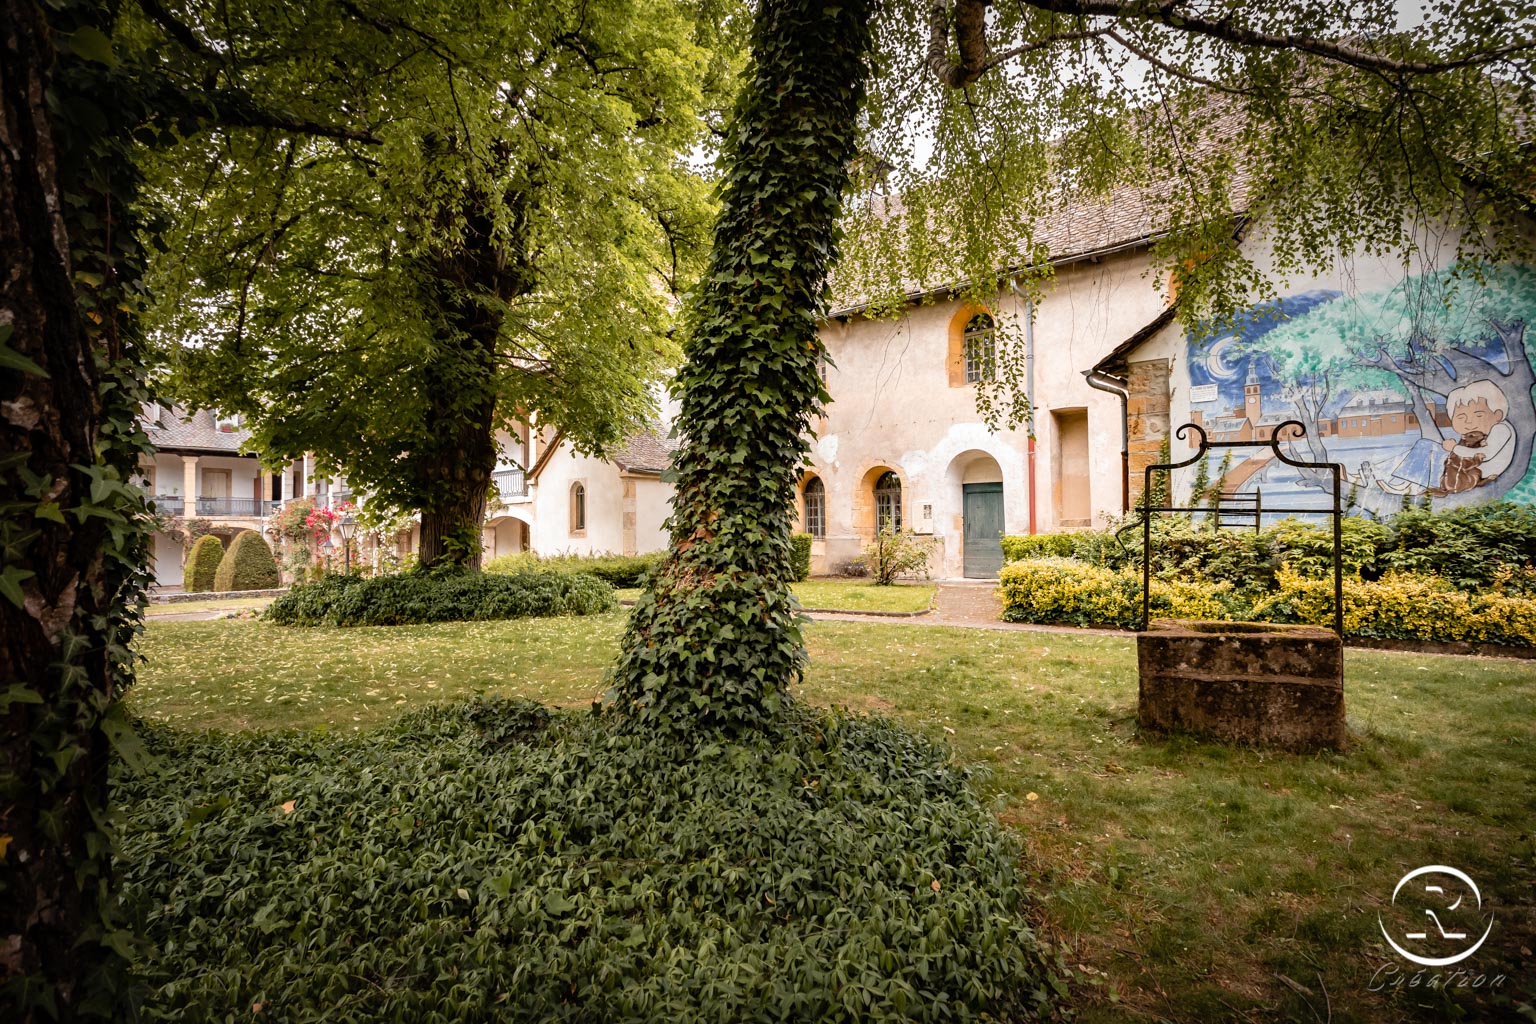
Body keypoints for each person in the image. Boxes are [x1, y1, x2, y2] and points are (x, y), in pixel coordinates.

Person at [1439, 379, 1516, 494]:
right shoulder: (1479, 433)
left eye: (1479, 415)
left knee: (1428, 449)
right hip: (1469, 470)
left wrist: (1455, 448)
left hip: (1477, 472)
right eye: (1461, 417)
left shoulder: (1501, 428)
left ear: (1497, 415)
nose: (1469, 422)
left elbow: (1486, 454)